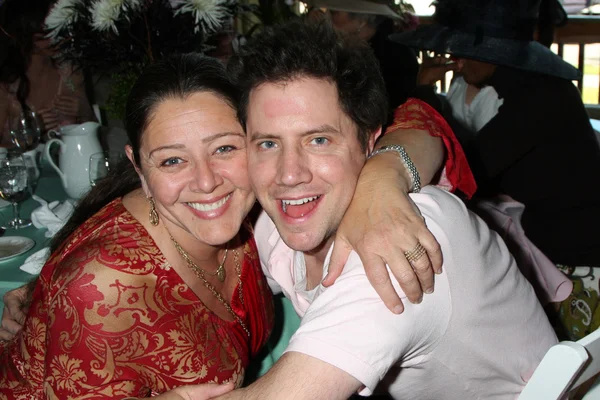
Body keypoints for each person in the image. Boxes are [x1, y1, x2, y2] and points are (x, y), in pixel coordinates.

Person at [0, 47, 462, 396]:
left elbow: (416, 116)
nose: (207, 183)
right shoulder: (99, 292)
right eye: (172, 161)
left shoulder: (266, 199)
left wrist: (382, 181)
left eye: (224, 149)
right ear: (138, 168)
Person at [165, 20, 555, 399]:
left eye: (318, 140)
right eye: (268, 143)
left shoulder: (403, 242)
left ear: (371, 143)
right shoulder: (275, 223)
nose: (289, 174)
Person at [391, 0, 600, 339]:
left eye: (461, 50)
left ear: (492, 52)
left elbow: (462, 171)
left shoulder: (540, 100)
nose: (454, 60)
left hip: (578, 265)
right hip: (554, 246)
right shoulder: (530, 89)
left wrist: (423, 94)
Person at [306, 0, 419, 122]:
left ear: (361, 21)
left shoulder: (395, 55)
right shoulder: (345, 46)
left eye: (334, 13)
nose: (326, 18)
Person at [0, 0, 95, 142]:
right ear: (25, 34)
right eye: (47, 33)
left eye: (59, 29)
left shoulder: (69, 70)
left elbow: (94, 132)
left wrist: (84, 111)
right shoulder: (6, 83)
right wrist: (28, 131)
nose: (57, 39)